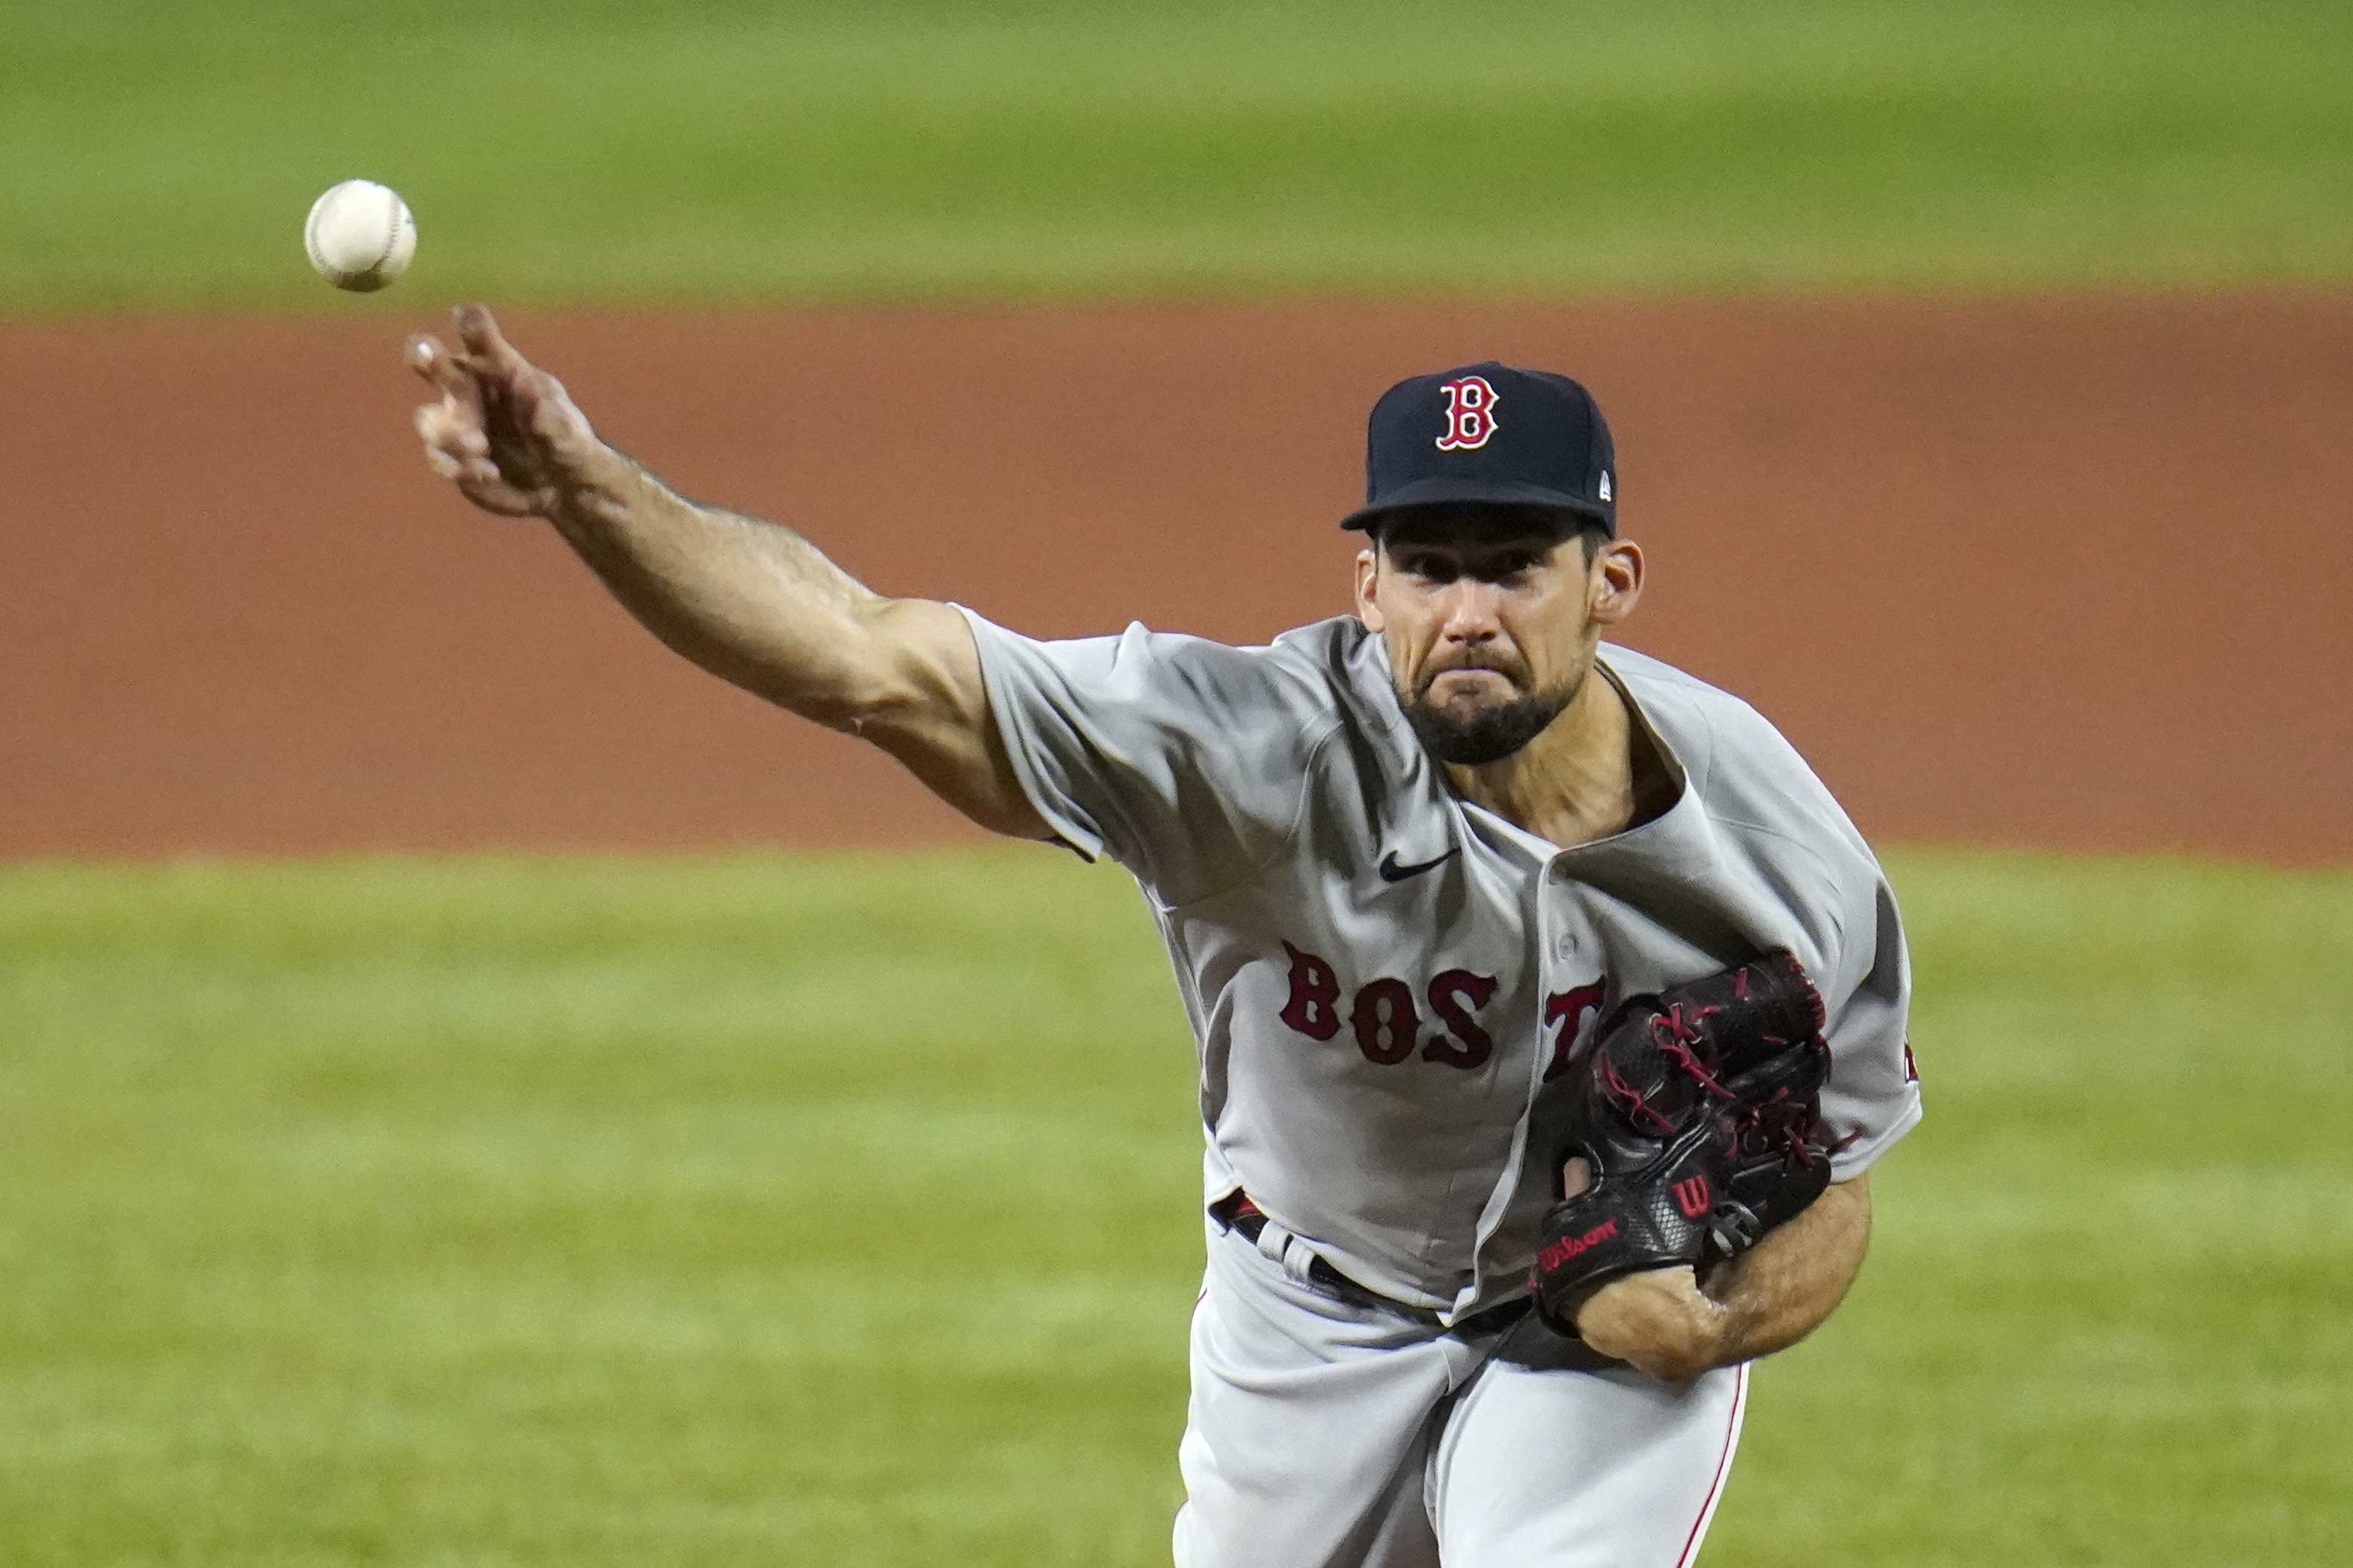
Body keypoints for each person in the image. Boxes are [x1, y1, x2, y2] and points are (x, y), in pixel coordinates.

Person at [408, 306, 1920, 1567]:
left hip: (1577, 1347)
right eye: (1427, 564)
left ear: (1610, 583)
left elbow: (1833, 1176)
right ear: (1366, 586)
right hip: (1307, 1308)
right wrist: (590, 494)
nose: (1466, 609)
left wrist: (1706, 1326)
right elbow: (872, 659)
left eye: (1513, 563)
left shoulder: (1773, 847)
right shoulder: (1246, 750)